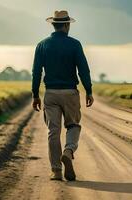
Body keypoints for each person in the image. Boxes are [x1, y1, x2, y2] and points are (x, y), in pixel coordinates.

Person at [31, 10, 94, 181]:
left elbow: (36, 72)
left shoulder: (42, 45)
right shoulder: (75, 44)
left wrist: (35, 95)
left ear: (53, 25)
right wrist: (88, 90)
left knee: (53, 131)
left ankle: (56, 171)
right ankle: (68, 151)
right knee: (73, 126)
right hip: (70, 93)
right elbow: (83, 70)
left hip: (50, 94)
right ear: (66, 25)